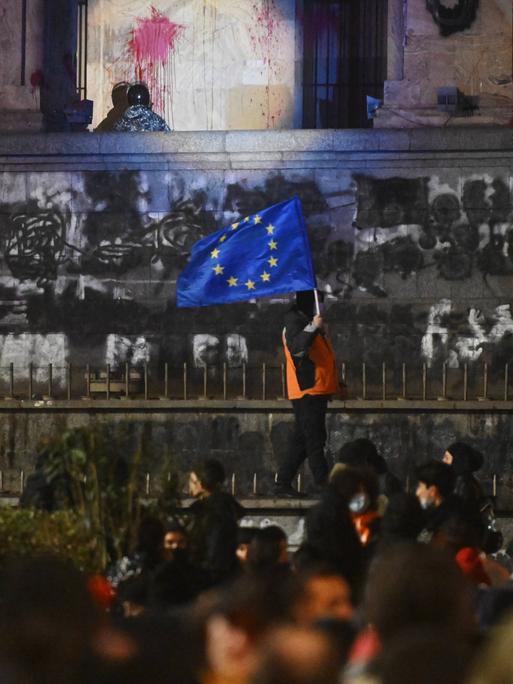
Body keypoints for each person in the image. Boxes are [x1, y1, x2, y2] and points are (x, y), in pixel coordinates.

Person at [275, 290, 340, 498]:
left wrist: (337, 382)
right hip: (308, 390)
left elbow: (320, 356)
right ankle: (324, 483)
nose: (321, 307)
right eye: (318, 302)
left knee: (302, 440)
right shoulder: (296, 321)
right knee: (315, 439)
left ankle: (282, 482)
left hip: (316, 388)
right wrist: (314, 327)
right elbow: (297, 349)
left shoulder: (306, 320)